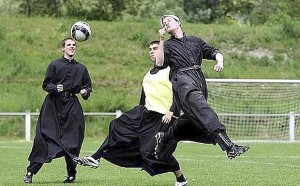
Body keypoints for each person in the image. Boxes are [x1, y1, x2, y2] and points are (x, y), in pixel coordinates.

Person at [73, 40, 187, 186]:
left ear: (163, 51)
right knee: (117, 126)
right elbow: (144, 97)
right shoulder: (148, 74)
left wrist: (171, 112)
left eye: (155, 48)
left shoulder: (172, 70)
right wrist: (139, 114)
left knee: (151, 153)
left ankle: (180, 177)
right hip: (145, 114)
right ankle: (96, 157)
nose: (152, 51)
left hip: (164, 117)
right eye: (150, 49)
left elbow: (179, 94)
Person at [154, 15, 249, 161]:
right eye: (164, 23)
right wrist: (161, 40)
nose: (166, 23)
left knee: (196, 123)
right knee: (204, 110)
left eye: (169, 21)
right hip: (182, 81)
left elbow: (214, 51)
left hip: (198, 81)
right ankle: (229, 146)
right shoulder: (167, 45)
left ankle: (166, 138)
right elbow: (159, 63)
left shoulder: (195, 41)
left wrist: (220, 61)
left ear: (179, 22)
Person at [23, 37, 92, 184]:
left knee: (73, 140)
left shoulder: (81, 68)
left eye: (74, 45)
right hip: (52, 107)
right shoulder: (54, 65)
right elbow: (46, 85)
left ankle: (71, 174)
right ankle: (30, 172)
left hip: (72, 107)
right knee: (44, 139)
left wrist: (85, 91)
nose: (72, 47)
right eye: (69, 45)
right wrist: (55, 88)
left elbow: (87, 86)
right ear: (63, 48)